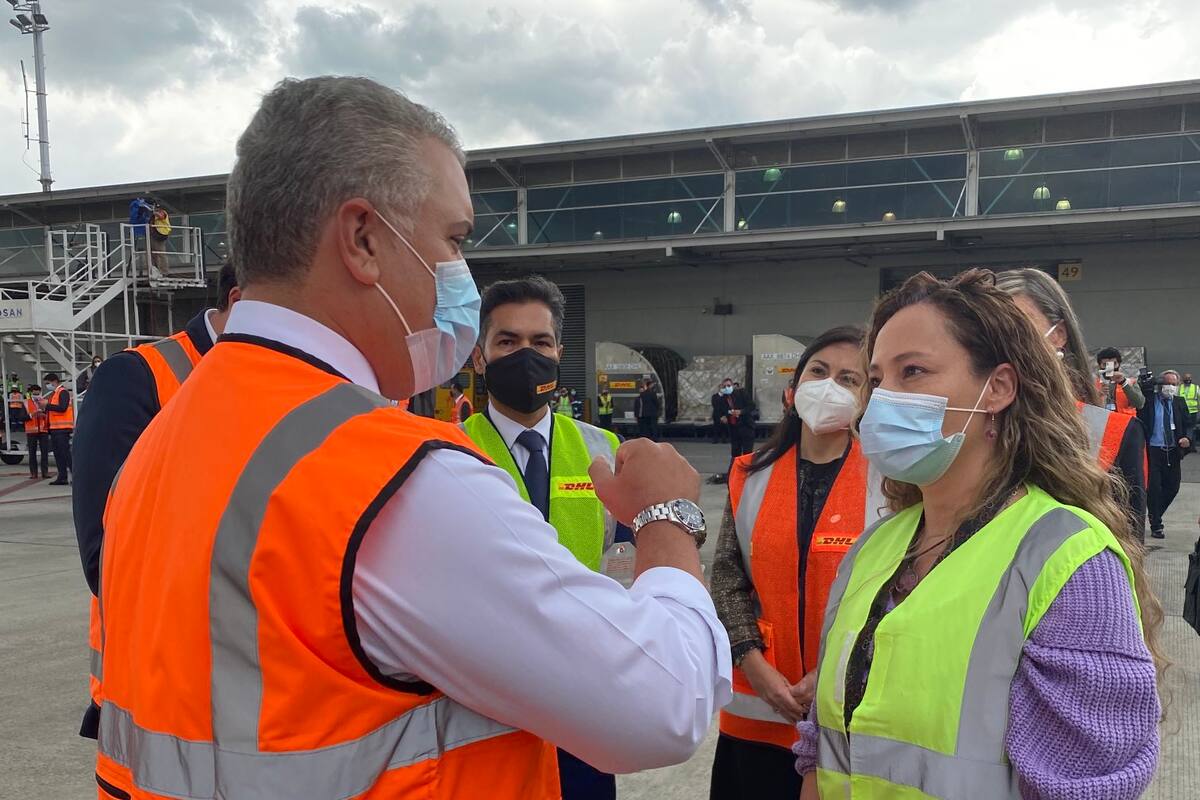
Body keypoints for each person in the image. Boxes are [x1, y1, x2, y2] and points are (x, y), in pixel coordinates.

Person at [93, 76, 730, 799]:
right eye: (454, 240)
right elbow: (662, 706)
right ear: (364, 239)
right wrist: (667, 519)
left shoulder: (175, 428)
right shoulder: (388, 477)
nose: (461, 274)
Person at [794, 269, 1162, 799]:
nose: (882, 399)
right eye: (876, 381)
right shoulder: (874, 548)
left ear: (998, 388)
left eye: (913, 371)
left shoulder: (1069, 560)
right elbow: (822, 746)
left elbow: (1088, 784)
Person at [464, 275, 630, 800]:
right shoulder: (447, 450)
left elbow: (625, 561)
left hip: (582, 694)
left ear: (559, 351)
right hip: (485, 698)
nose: (526, 355)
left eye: (540, 342)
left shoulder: (604, 449)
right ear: (479, 357)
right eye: (507, 342)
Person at [71, 261, 241, 740]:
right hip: (158, 704)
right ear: (241, 303)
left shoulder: (305, 383)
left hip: (268, 702)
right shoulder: (138, 378)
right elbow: (107, 560)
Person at [710, 325, 875, 800]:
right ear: (793, 388)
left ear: (866, 399)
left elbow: (899, 588)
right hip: (756, 714)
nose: (830, 386)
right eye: (819, 371)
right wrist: (752, 661)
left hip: (848, 713)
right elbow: (726, 575)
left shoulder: (890, 484)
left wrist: (833, 672)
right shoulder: (750, 473)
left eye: (849, 379)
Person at [996, 268, 1148, 540]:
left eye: (1019, 328)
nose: (1005, 344)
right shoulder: (962, 428)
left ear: (1058, 335)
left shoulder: (1111, 435)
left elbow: (1127, 549)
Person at [1137, 369, 1190, 539]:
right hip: (1153, 450)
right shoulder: (1151, 401)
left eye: (1174, 384)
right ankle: (1156, 524)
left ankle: (1154, 514)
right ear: (1160, 385)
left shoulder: (1180, 402)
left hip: (1173, 450)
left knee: (1172, 487)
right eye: (1167, 384)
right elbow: (1141, 408)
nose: (1170, 387)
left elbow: (1189, 424)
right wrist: (1150, 384)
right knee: (1153, 488)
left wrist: (1187, 438)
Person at [41, 372, 73, 485]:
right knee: (58, 454)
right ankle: (62, 476)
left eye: (48, 383)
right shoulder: (54, 393)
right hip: (55, 429)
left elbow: (62, 408)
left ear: (54, 381)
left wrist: (47, 405)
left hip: (62, 428)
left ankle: (75, 475)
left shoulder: (63, 392)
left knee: (65, 453)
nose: (47, 385)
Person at [1096, 347, 1145, 415]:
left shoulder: (1129, 382)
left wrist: (1124, 383)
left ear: (1119, 364)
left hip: (1125, 423)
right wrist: (1098, 394)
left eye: (1114, 364)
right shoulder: (1092, 384)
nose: (1110, 368)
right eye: (1105, 364)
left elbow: (1139, 404)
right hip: (1101, 423)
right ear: (1099, 365)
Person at [23, 384, 49, 479]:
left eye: (38, 393)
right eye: (35, 393)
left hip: (43, 430)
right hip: (31, 431)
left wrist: (44, 415)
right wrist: (31, 415)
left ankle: (45, 472)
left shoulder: (45, 402)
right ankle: (33, 473)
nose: (36, 395)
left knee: (44, 452)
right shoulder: (26, 403)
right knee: (32, 453)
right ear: (31, 393)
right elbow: (22, 417)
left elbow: (50, 414)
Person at [150, 204, 172, 272]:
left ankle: (164, 270)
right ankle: (156, 269)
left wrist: (154, 212)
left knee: (161, 253)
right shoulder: (153, 216)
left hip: (161, 234)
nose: (157, 210)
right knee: (153, 253)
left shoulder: (163, 213)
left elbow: (161, 216)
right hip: (155, 235)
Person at [1179, 372, 1198, 452]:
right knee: (1183, 428)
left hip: (1193, 411)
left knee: (1192, 428)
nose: (1188, 381)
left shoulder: (1195, 388)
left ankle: (1192, 446)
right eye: (1186, 379)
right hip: (1182, 411)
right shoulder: (1180, 388)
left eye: (1189, 379)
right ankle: (1185, 446)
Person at [711, 379, 732, 444]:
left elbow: (728, 406)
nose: (723, 388)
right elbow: (715, 406)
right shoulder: (714, 396)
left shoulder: (726, 396)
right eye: (722, 387)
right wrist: (720, 416)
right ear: (719, 388)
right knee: (716, 427)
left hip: (724, 415)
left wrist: (725, 415)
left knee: (724, 428)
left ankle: (724, 439)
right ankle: (715, 439)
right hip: (717, 414)